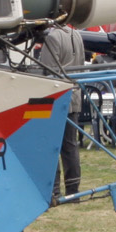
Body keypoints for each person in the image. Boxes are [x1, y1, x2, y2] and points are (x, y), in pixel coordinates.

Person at [40, 21, 87, 199]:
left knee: (52, 145)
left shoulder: (52, 37)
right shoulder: (77, 35)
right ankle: (73, 190)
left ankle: (54, 190)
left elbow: (48, 71)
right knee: (70, 145)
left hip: (57, 97)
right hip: (74, 95)